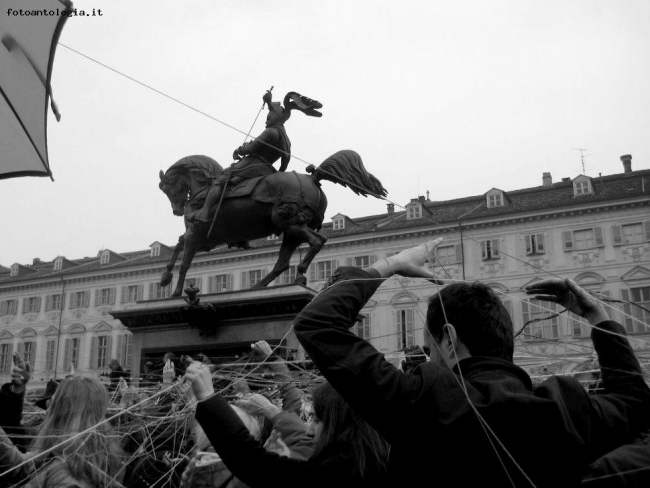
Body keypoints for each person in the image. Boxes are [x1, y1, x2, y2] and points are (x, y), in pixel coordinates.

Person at [292, 238, 650, 488]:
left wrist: (391, 265)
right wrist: (597, 316)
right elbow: (635, 402)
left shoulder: (426, 403)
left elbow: (315, 323)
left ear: (448, 338)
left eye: (431, 347)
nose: (428, 358)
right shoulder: (567, 407)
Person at [185, 362, 389, 488]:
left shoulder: (338, 477)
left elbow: (255, 465)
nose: (308, 429)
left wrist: (207, 398)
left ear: (341, 425)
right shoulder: (376, 464)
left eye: (317, 421)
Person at [189, 90, 322, 226]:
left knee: (220, 181)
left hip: (251, 166)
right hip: (268, 170)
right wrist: (269, 101)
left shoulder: (270, 132)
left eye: (269, 117)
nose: (266, 119)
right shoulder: (286, 139)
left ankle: (204, 212)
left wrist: (240, 149)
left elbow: (252, 147)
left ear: (276, 117)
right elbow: (285, 161)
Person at [0, 376, 124, 487]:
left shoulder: (65, 475)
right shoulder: (66, 452)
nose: (47, 411)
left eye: (52, 404)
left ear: (63, 413)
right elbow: (23, 467)